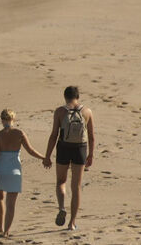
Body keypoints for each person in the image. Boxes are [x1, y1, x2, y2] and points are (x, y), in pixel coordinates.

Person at [43, 86, 95, 230]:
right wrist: (90, 154)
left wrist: (47, 156)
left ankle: (61, 207)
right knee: (76, 186)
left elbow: (54, 135)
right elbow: (91, 136)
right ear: (78, 96)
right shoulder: (87, 112)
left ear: (65, 97)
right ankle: (72, 223)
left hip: (64, 147)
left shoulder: (60, 111)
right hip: (80, 148)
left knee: (61, 181)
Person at [0, 109, 48, 237]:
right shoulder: (19, 133)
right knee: (11, 203)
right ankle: (6, 231)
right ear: (13, 120)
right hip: (14, 171)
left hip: (0, 170)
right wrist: (44, 158)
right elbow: (31, 150)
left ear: (1, 120)